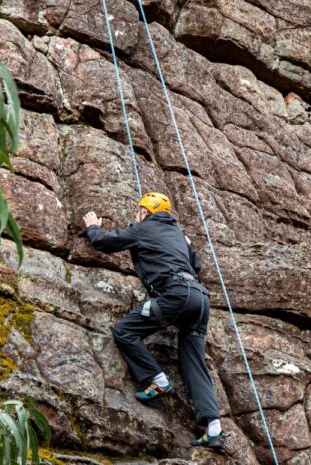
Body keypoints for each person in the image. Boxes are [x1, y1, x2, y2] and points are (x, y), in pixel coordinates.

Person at [82, 192, 225, 450]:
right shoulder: (179, 235)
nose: (136, 217)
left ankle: (157, 379)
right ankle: (214, 428)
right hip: (200, 300)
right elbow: (197, 265)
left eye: (138, 212)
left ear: (146, 212)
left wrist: (93, 227)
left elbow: (105, 242)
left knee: (124, 330)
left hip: (176, 294)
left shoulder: (143, 228)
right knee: (193, 361)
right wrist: (188, 245)